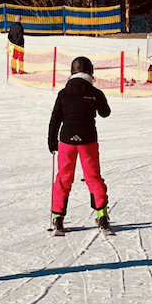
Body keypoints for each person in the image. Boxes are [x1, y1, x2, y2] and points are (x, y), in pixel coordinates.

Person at [48, 55, 113, 235]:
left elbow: (55, 118)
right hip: (88, 140)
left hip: (66, 141)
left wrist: (52, 140)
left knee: (63, 178)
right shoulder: (95, 92)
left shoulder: (63, 93)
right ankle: (102, 215)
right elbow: (105, 112)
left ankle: (58, 217)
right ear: (90, 72)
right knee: (93, 177)